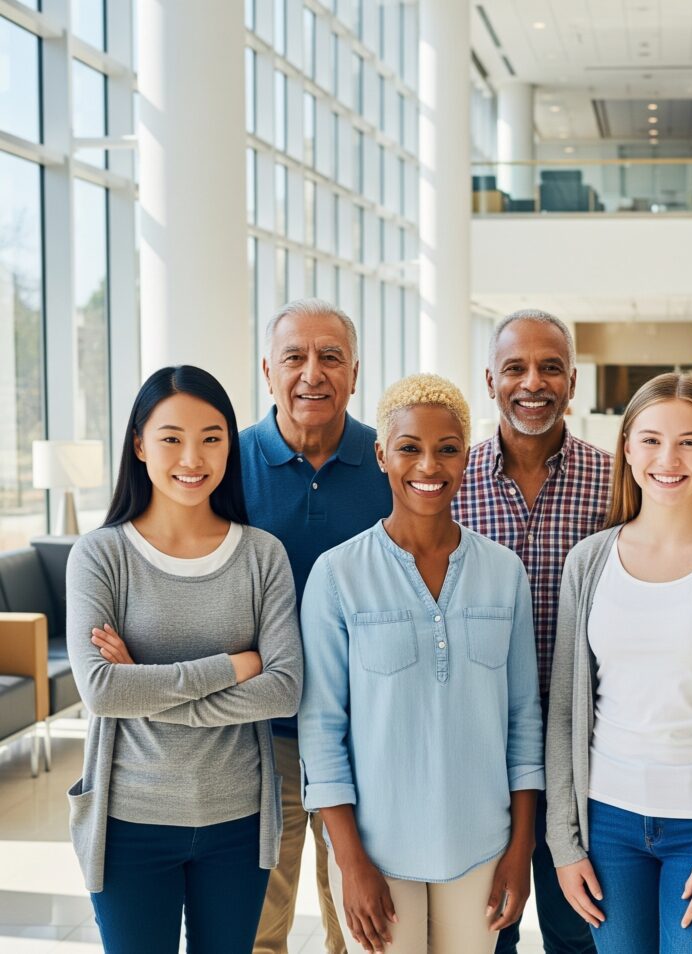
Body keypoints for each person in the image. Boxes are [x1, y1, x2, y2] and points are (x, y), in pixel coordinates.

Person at [298, 373, 545, 954]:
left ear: (468, 455)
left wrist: (521, 849)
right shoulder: (337, 575)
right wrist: (350, 860)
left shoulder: (504, 572)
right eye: (409, 448)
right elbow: (321, 729)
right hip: (376, 855)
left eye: (447, 449)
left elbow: (523, 719)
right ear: (382, 454)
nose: (428, 466)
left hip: (482, 847)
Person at [545, 373, 692, 954]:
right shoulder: (589, 562)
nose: (668, 458)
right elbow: (563, 711)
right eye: (651, 439)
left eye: (688, 441)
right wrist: (565, 842)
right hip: (608, 827)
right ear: (627, 448)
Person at [65, 365, 303, 954]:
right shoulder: (101, 556)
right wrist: (234, 665)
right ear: (140, 444)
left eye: (212, 437)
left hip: (238, 824)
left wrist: (145, 687)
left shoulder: (261, 555)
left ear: (230, 445)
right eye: (171, 437)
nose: (192, 457)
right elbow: (101, 692)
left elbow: (284, 689)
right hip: (128, 823)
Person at [452, 308, 612, 954]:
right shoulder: (449, 479)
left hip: (588, 752)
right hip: (483, 752)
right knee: (492, 932)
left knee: (580, 934)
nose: (532, 382)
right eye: (515, 367)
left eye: (550, 367)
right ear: (490, 379)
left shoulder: (616, 478)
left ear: (572, 382)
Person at [241, 298, 392, 954]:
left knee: (363, 923)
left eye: (330, 357)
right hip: (258, 738)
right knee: (258, 923)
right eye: (295, 357)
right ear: (268, 370)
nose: (312, 373)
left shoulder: (390, 459)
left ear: (355, 373)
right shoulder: (227, 462)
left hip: (366, 733)